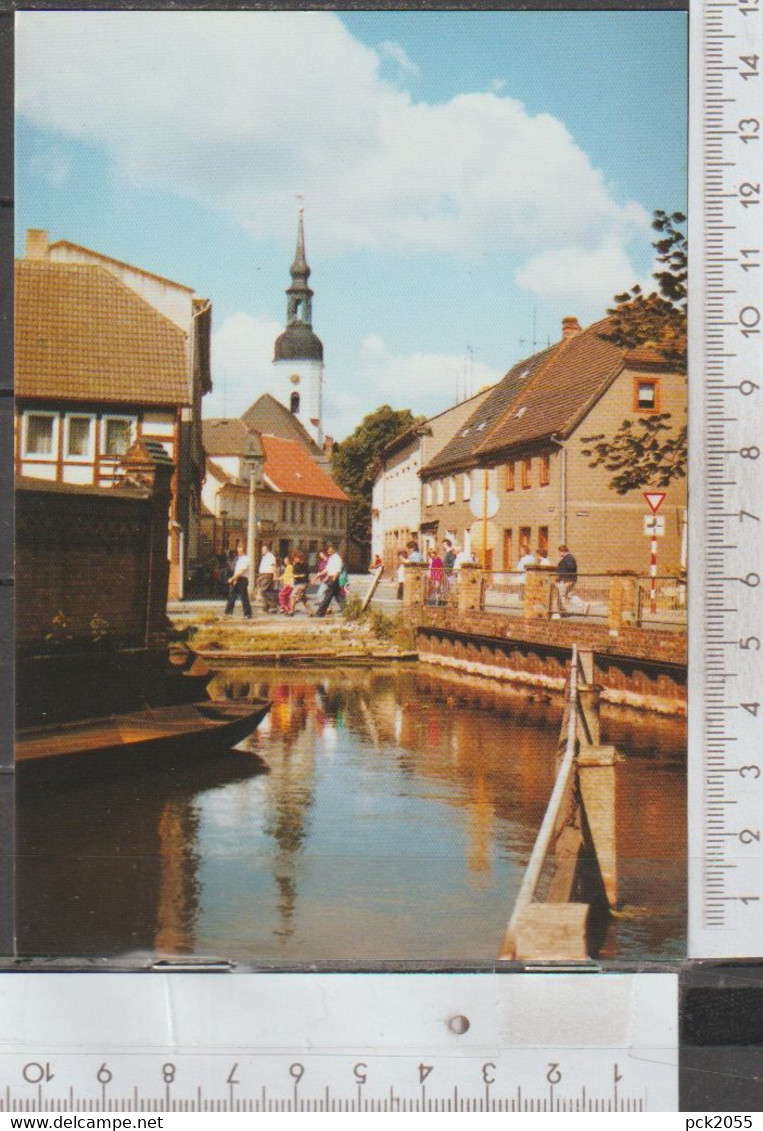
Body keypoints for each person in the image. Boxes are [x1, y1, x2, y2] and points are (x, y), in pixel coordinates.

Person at [555, 544, 588, 616]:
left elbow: (569, 568)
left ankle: (563, 612)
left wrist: (561, 577)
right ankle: (583, 605)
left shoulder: (568, 559)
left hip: (565, 580)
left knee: (562, 596)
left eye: (559, 552)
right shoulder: (570, 558)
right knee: (570, 595)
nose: (559, 554)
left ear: (563, 551)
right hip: (569, 580)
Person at [315, 543, 344, 617]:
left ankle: (320, 613)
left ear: (334, 549)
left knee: (327, 597)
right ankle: (346, 610)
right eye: (327, 550)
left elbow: (338, 570)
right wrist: (319, 574)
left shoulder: (337, 558)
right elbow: (327, 569)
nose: (328, 551)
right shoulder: (331, 558)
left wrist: (333, 580)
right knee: (338, 596)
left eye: (329, 550)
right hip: (331, 578)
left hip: (334, 579)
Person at [224, 542, 252, 619]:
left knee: (244, 597)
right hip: (237, 579)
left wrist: (232, 578)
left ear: (244, 550)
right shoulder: (239, 559)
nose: (239, 551)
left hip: (242, 579)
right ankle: (228, 612)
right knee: (232, 596)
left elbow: (241, 571)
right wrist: (235, 579)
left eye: (241, 550)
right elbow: (236, 571)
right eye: (238, 549)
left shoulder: (246, 559)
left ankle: (247, 614)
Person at [258, 542, 278, 612]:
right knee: (268, 591)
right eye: (262, 549)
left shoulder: (270, 556)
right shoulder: (264, 557)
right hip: (263, 575)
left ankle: (273, 605)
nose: (262, 551)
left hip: (268, 575)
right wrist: (260, 577)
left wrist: (275, 575)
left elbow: (273, 566)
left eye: (264, 549)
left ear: (267, 549)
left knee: (263, 591)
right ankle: (267, 607)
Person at [289, 550, 311, 615]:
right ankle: (310, 612)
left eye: (296, 557)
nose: (295, 559)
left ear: (300, 557)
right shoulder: (295, 565)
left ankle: (291, 611)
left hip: (302, 583)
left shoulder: (304, 565)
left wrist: (296, 576)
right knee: (304, 599)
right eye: (294, 558)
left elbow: (305, 575)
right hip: (297, 583)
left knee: (292, 596)